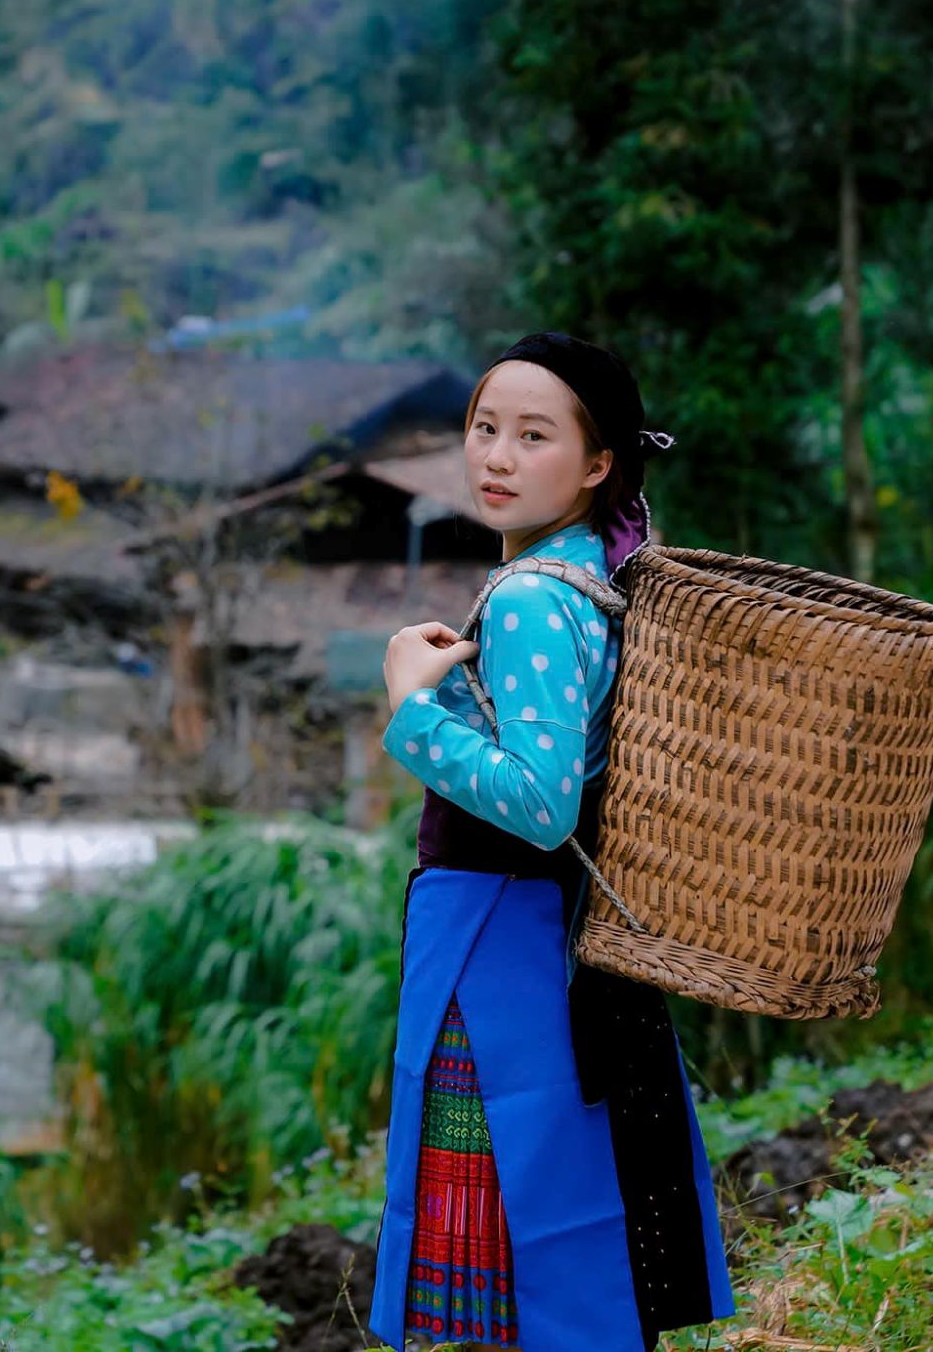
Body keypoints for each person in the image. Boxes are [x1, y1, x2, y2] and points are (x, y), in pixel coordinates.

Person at [367, 333, 735, 1351]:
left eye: (534, 437)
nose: (496, 457)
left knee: (504, 1239)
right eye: (484, 428)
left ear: (598, 462)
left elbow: (540, 805)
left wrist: (412, 709)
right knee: (565, 1221)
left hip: (501, 949)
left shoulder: (532, 599)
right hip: (553, 938)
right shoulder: (591, 575)